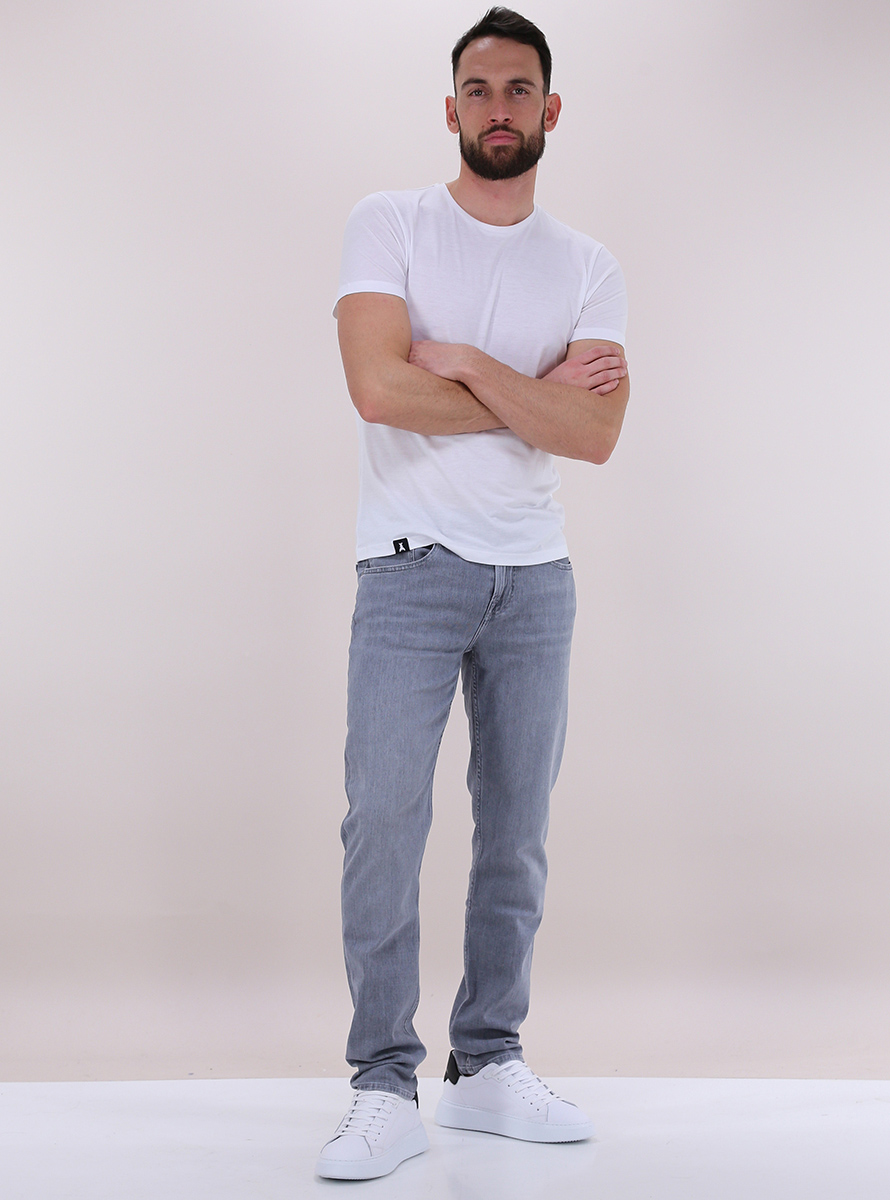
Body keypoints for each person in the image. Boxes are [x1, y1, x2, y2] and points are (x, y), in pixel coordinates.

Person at [316, 7, 629, 1181]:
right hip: (408, 568)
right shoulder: (388, 223)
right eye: (479, 89)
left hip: (534, 579)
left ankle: (488, 1062)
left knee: (517, 833)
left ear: (551, 109)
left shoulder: (586, 265)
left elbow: (593, 436)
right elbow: (376, 390)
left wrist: (466, 363)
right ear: (449, 108)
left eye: (519, 89)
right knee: (382, 822)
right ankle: (381, 1083)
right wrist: (531, 393)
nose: (498, 108)